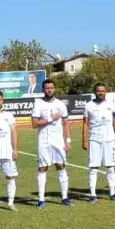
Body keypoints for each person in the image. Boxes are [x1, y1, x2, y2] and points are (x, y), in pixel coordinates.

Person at [31, 79, 71, 207]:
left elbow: (66, 124)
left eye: (51, 87)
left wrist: (68, 141)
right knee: (43, 168)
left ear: (54, 89)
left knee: (61, 166)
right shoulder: (38, 104)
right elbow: (34, 124)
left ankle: (64, 197)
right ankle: (41, 199)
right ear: (43, 90)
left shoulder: (61, 104)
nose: (49, 90)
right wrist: (50, 119)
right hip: (43, 140)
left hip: (58, 140)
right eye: (47, 88)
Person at [82, 82, 115, 203]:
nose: (101, 93)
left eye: (103, 91)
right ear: (95, 92)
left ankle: (112, 193)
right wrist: (84, 140)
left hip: (109, 139)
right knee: (93, 168)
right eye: (98, 91)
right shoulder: (88, 105)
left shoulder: (111, 105)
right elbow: (85, 124)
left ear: (106, 92)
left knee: (110, 167)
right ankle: (92, 194)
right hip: (94, 140)